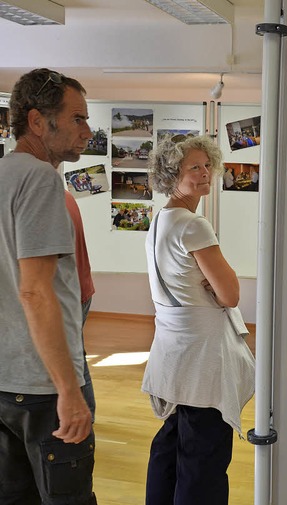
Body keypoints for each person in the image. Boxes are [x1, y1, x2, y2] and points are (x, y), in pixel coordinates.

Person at [0, 68, 96, 504]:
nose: (87, 130)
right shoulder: (40, 179)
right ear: (37, 122)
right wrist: (68, 390)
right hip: (41, 388)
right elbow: (35, 291)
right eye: (77, 118)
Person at [142, 135, 255, 504]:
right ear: (171, 174)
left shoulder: (160, 220)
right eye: (194, 167)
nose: (205, 173)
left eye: (207, 165)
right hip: (202, 355)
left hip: (174, 349)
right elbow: (231, 294)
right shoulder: (194, 225)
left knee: (172, 442)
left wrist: (211, 283)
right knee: (203, 455)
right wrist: (216, 283)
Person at [65, 191, 97, 422]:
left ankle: (82, 417)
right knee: (76, 355)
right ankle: (87, 415)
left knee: (70, 359)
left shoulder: (47, 201)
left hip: (69, 297)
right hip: (81, 292)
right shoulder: (65, 196)